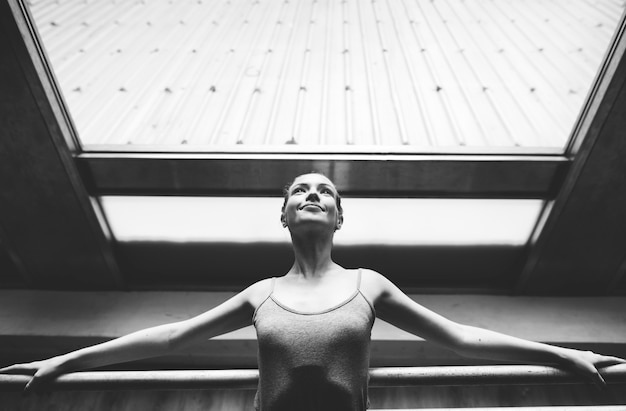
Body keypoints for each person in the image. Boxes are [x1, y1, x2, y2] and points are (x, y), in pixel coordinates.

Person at [1, 172, 624, 410]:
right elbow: (166, 336)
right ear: (283, 215)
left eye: (326, 192)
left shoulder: (367, 286)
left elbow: (463, 337)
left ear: (340, 217)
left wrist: (561, 355)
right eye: (300, 191)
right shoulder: (260, 294)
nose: (313, 197)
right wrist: (64, 360)